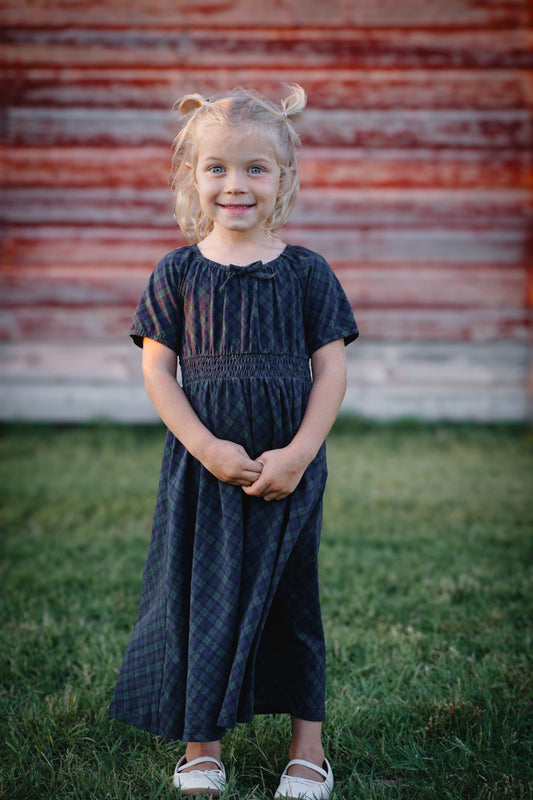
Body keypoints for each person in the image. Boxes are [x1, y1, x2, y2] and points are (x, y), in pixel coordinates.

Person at [108, 84, 358, 799]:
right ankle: (200, 746)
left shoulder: (306, 272)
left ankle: (307, 751)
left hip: (289, 463)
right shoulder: (178, 272)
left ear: (283, 178)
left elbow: (331, 366)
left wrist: (301, 452)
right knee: (198, 598)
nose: (235, 184)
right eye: (216, 167)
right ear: (192, 176)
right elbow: (158, 368)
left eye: (255, 168)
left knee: (291, 600)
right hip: (203, 469)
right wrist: (204, 445)